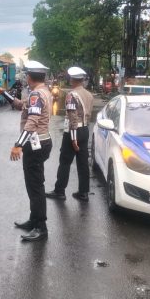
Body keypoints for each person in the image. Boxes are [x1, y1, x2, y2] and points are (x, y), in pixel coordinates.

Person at [0, 61, 52, 242]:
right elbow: (21, 105)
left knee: (35, 187)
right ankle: (34, 220)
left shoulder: (37, 95)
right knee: (34, 185)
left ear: (29, 77)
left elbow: (32, 122)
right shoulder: (42, 92)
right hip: (40, 143)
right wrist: (2, 92)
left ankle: (41, 228)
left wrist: (18, 144)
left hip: (36, 144)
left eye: (26, 75)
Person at [46, 66, 94, 202]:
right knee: (83, 163)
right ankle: (84, 192)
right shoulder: (89, 95)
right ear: (82, 80)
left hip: (73, 132)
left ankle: (59, 191)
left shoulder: (71, 95)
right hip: (85, 130)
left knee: (65, 162)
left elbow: (73, 118)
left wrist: (73, 139)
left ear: (72, 80)